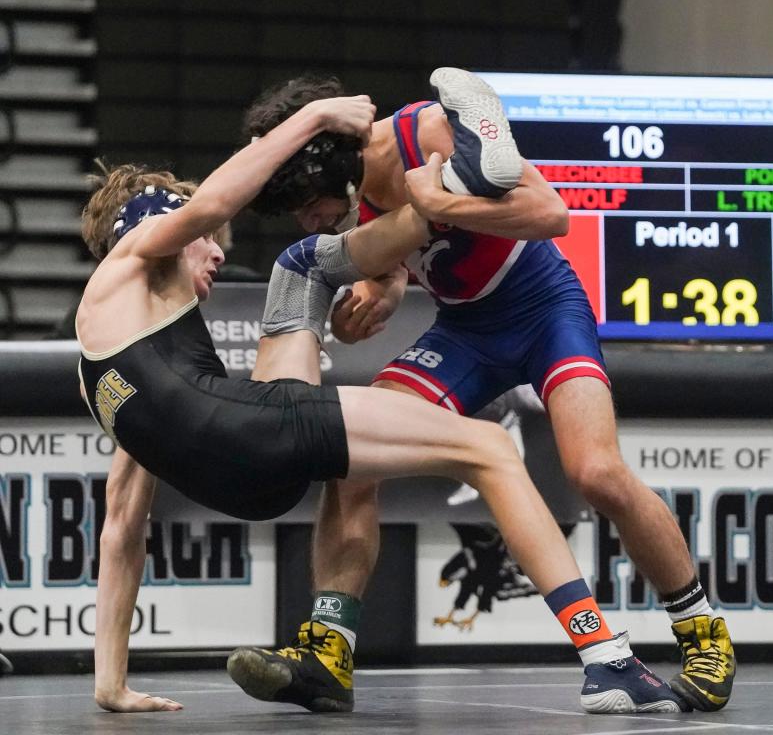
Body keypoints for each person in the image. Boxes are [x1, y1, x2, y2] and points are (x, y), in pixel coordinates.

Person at [76, 95, 686, 715]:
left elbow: (122, 526)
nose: (220, 253)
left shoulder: (101, 363)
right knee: (491, 448)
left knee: (300, 267)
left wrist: (110, 684)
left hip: (246, 484)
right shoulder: (138, 249)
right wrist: (314, 117)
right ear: (160, 226)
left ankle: (433, 208)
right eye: (205, 242)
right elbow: (211, 201)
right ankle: (607, 658)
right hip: (260, 433)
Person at [240, 68, 736, 713]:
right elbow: (393, 267)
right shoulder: (353, 190)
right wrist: (376, 295)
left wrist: (439, 205)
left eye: (309, 204)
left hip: (544, 310)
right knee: (353, 457)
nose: (309, 221)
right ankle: (329, 650)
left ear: (332, 161)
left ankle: (702, 630)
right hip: (467, 331)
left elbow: (550, 213)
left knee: (597, 473)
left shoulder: (429, 132)